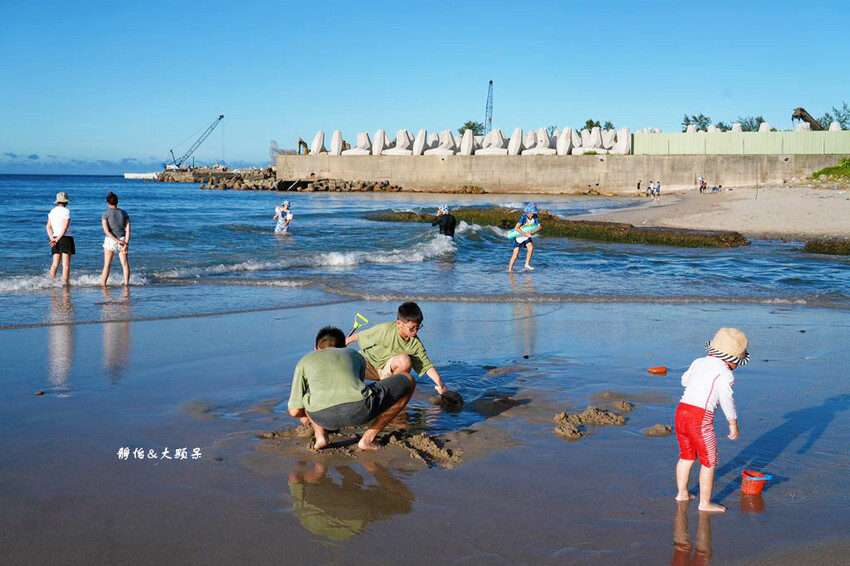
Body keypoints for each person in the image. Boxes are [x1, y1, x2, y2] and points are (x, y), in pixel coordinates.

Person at [288, 326, 415, 451]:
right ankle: (368, 439)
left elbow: (294, 411)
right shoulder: (354, 354)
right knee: (409, 380)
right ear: (344, 347)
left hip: (322, 417)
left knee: (309, 393)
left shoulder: (304, 361)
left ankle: (320, 436)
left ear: (316, 349)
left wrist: (309, 417)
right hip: (359, 413)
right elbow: (359, 386)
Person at [674, 327, 749, 514]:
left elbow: (684, 381)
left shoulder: (698, 362)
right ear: (732, 360)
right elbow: (726, 400)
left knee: (686, 456)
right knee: (709, 461)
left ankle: (682, 493)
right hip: (700, 420)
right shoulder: (725, 374)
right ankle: (705, 503)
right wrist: (733, 424)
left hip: (681, 413)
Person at [345, 301, 448, 395]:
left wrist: (440, 383)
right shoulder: (384, 330)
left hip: (386, 373)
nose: (415, 332)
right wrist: (342, 343)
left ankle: (386, 390)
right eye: (412, 328)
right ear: (399, 324)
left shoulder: (415, 344)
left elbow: (426, 366)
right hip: (367, 365)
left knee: (405, 361)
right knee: (346, 362)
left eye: (418, 327)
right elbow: (359, 336)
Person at [101, 191, 131, 286]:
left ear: (108, 203)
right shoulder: (124, 213)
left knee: (107, 265)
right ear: (117, 202)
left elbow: (107, 231)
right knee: (125, 264)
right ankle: (126, 284)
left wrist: (116, 240)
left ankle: (103, 284)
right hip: (123, 239)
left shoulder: (105, 214)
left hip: (111, 241)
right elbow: (128, 230)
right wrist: (126, 243)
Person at [46, 191, 74, 285]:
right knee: (65, 264)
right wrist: (57, 239)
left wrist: (52, 239)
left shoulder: (52, 211)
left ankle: (51, 283)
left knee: (54, 264)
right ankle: (65, 284)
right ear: (66, 202)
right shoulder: (67, 211)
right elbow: (65, 228)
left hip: (54, 238)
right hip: (66, 238)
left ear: (57, 201)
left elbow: (48, 227)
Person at [507, 203, 542, 272]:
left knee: (531, 248)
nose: (533, 214)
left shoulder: (535, 216)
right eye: (532, 213)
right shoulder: (523, 217)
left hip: (527, 236)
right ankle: (510, 270)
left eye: (534, 212)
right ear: (528, 212)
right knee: (515, 255)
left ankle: (527, 264)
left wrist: (532, 232)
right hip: (519, 237)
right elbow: (517, 228)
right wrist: (525, 233)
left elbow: (540, 227)